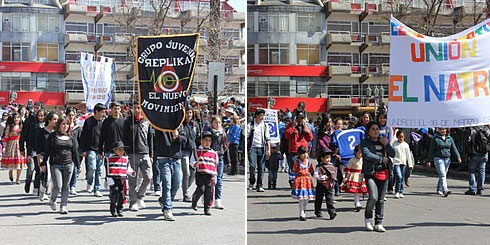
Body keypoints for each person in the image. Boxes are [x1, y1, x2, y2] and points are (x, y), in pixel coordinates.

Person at [41, 115, 80, 214]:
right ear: (59, 125)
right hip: (55, 164)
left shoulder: (71, 136)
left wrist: (78, 165)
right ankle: (53, 200)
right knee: (57, 186)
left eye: (67, 124)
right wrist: (43, 163)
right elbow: (47, 150)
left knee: (66, 186)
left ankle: (64, 205)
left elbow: (75, 151)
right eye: (63, 124)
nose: (65, 126)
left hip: (69, 164)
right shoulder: (53, 136)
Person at [360, 121, 395, 232]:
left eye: (377, 129)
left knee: (380, 199)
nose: (376, 131)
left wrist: (387, 144)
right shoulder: (365, 142)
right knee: (373, 197)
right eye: (373, 129)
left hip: (384, 172)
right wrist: (380, 159)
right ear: (368, 131)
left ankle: (378, 222)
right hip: (370, 172)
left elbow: (393, 154)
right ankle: (368, 217)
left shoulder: (383, 140)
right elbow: (366, 154)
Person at [122, 102, 154, 211]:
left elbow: (150, 139)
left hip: (145, 153)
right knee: (132, 180)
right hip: (132, 154)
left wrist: (151, 154)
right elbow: (124, 138)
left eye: (138, 108)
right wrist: (126, 151)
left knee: (148, 177)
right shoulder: (128, 122)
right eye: (134, 108)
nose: (136, 110)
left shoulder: (147, 122)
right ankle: (133, 202)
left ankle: (140, 196)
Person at [154, 126, 187, 221]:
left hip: (176, 158)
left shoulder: (179, 124)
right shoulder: (160, 123)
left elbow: (184, 140)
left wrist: (177, 136)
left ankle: (163, 201)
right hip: (163, 157)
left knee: (177, 184)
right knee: (166, 184)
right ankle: (168, 209)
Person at [98, 102, 126, 196]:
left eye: (118, 108)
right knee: (110, 172)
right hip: (109, 150)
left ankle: (120, 192)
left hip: (121, 151)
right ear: (111, 110)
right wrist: (100, 151)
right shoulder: (106, 121)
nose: (116, 111)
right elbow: (102, 137)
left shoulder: (124, 121)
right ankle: (112, 191)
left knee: (120, 172)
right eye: (114, 108)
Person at [426, 128, 461, 197]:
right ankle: (445, 189)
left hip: (447, 159)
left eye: (444, 129)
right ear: (438, 130)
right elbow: (431, 150)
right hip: (438, 159)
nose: (443, 131)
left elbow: (454, 148)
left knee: (443, 174)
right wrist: (428, 160)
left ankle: (439, 189)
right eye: (441, 129)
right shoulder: (435, 138)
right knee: (442, 174)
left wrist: (458, 157)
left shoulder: (449, 138)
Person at [80, 103, 105, 197]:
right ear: (96, 112)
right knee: (92, 167)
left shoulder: (104, 122)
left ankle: (97, 188)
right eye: (102, 111)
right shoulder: (88, 121)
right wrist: (83, 149)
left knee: (99, 170)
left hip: (100, 149)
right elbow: (84, 136)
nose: (103, 113)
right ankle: (89, 182)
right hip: (90, 149)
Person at [191, 131, 218, 216]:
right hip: (200, 173)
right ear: (201, 141)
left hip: (209, 174)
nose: (207, 142)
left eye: (209, 141)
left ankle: (207, 208)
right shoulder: (197, 151)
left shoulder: (213, 153)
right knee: (201, 189)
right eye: (205, 140)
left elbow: (215, 164)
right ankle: (194, 200)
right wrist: (195, 163)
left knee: (208, 191)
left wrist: (214, 175)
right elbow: (192, 160)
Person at [20, 108, 45, 195]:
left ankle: (36, 187)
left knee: (38, 170)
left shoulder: (47, 125)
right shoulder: (31, 123)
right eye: (39, 115)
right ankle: (28, 182)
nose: (41, 117)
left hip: (41, 151)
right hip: (32, 150)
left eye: (42, 115)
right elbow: (23, 135)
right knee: (31, 169)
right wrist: (22, 149)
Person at [285, 112, 313, 186]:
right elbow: (286, 136)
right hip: (294, 150)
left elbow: (310, 138)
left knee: (304, 169)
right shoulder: (290, 126)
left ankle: (302, 184)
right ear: (295, 119)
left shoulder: (306, 126)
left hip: (303, 150)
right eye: (299, 118)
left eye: (302, 118)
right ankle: (293, 183)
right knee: (294, 169)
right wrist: (293, 127)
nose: (300, 120)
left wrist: (307, 131)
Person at [36, 112, 58, 201]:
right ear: (49, 120)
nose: (56, 121)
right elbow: (38, 147)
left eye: (57, 119)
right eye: (54, 119)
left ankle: (51, 194)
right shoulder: (41, 132)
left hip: (55, 157)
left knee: (54, 177)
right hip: (44, 156)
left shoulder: (57, 132)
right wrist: (39, 159)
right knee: (47, 176)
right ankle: (42, 191)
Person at [106, 141, 133, 217]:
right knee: (115, 193)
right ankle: (113, 208)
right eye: (119, 149)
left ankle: (120, 209)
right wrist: (108, 180)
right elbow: (108, 170)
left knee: (122, 195)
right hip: (113, 179)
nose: (121, 151)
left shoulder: (126, 159)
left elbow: (128, 169)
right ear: (114, 150)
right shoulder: (109, 159)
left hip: (122, 180)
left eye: (122, 150)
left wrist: (132, 173)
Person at [247, 109, 270, 192]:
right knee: (252, 166)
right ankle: (252, 181)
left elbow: (267, 138)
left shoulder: (265, 126)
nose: (262, 117)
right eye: (260, 115)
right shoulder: (251, 125)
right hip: (253, 148)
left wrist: (268, 149)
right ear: (256, 115)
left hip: (262, 148)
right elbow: (247, 136)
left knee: (261, 168)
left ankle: (259, 185)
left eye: (263, 115)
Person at [2, 112, 27, 184]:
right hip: (11, 145)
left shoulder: (22, 126)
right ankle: (10, 172)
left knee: (19, 161)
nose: (16, 119)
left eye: (18, 117)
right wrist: (4, 147)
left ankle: (18, 179)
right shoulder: (9, 127)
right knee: (12, 161)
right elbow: (6, 137)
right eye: (15, 118)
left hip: (20, 144)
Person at [290, 146, 315, 221]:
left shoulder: (309, 162)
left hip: (307, 181)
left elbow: (312, 171)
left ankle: (304, 209)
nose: (304, 155)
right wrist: (292, 180)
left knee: (306, 198)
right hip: (299, 180)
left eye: (306, 153)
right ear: (299, 154)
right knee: (301, 198)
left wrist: (318, 176)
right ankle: (301, 213)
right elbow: (293, 171)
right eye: (302, 153)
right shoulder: (297, 162)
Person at [180, 107, 199, 202]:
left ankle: (185, 187)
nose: (189, 115)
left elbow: (198, 138)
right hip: (184, 151)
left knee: (193, 173)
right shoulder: (181, 125)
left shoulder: (195, 125)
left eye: (190, 113)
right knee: (186, 173)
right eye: (187, 113)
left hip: (193, 151)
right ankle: (186, 194)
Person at [465, 125, 490, 195]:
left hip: (475, 153)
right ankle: (480, 189)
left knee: (472, 170)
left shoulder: (472, 129)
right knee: (482, 171)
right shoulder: (486, 129)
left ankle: (472, 189)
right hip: (484, 153)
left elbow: (468, 140)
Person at [342, 145, 368, 211]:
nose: (360, 154)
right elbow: (348, 169)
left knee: (361, 190)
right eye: (359, 152)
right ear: (355, 153)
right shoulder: (352, 160)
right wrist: (346, 177)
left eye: (361, 152)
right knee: (356, 191)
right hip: (354, 176)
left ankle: (360, 202)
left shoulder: (364, 159)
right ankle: (357, 203)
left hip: (362, 176)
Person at [209, 116, 228, 209]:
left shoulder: (223, 133)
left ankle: (218, 200)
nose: (218, 125)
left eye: (219, 123)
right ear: (212, 123)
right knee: (212, 179)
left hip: (220, 157)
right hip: (210, 157)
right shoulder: (208, 132)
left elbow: (225, 145)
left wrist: (225, 156)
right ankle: (208, 197)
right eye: (216, 122)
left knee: (219, 179)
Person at [314, 148, 337, 220]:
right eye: (327, 158)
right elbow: (315, 175)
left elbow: (334, 174)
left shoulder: (332, 166)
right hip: (320, 185)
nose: (328, 159)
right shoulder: (319, 167)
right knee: (319, 199)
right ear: (322, 158)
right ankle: (318, 211)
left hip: (329, 185)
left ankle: (331, 212)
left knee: (329, 199)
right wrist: (322, 177)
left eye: (329, 157)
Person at [392, 131, 414, 199]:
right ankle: (397, 191)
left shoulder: (406, 145)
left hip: (403, 163)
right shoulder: (394, 144)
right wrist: (392, 162)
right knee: (399, 176)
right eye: (400, 137)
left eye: (402, 137)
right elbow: (391, 154)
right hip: (396, 163)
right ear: (397, 137)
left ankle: (401, 191)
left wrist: (410, 164)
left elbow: (408, 155)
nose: (401, 138)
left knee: (402, 177)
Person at [66, 108, 82, 196]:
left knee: (75, 168)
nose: (71, 117)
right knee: (68, 169)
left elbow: (81, 139)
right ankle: (67, 186)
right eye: (69, 115)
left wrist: (81, 150)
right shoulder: (64, 126)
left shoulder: (77, 128)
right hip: (66, 150)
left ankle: (73, 186)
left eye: (72, 115)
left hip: (75, 151)